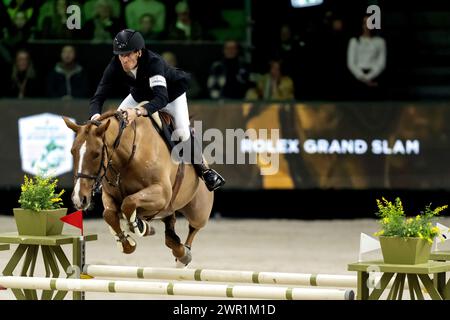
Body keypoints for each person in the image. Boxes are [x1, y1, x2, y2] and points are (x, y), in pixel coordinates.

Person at [89, 29, 225, 191]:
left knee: (181, 132)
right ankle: (104, 176)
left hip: (171, 96)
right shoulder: (114, 65)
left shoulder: (153, 62)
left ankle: (205, 171)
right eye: (120, 55)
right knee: (116, 127)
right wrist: (95, 117)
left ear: (138, 52)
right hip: (140, 95)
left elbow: (160, 99)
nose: (123, 60)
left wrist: (138, 112)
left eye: (127, 55)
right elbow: (98, 97)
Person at [347, 14, 386, 100]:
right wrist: (363, 78)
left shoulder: (380, 41)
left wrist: (369, 77)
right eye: (365, 23)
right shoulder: (354, 41)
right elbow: (351, 63)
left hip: (374, 75)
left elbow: (381, 63)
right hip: (358, 76)